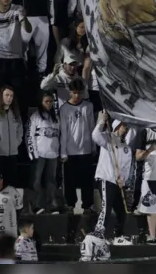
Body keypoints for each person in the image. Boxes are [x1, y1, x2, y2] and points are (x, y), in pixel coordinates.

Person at [91, 113, 134, 244]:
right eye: (123, 126)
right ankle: (98, 232)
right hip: (106, 178)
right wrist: (101, 121)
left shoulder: (126, 147)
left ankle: (118, 235)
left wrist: (124, 181)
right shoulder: (108, 138)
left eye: (127, 127)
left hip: (118, 183)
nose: (125, 129)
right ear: (117, 126)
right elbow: (95, 136)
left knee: (122, 210)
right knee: (106, 206)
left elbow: (127, 167)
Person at [60, 79, 95, 213]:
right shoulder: (64, 109)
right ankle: (70, 204)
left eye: (79, 93)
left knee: (87, 180)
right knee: (70, 181)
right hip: (70, 151)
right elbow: (63, 131)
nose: (77, 96)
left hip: (85, 150)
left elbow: (92, 127)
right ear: (70, 92)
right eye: (74, 93)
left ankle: (88, 205)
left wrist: (93, 146)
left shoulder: (88, 106)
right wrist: (63, 152)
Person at [27, 92, 60, 214]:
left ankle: (52, 204)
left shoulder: (56, 117)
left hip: (53, 154)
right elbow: (29, 135)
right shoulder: (35, 116)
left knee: (51, 179)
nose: (49, 104)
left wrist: (59, 152)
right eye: (46, 101)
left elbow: (59, 135)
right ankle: (37, 204)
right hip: (39, 153)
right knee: (36, 179)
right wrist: (33, 153)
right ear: (41, 102)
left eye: (50, 101)